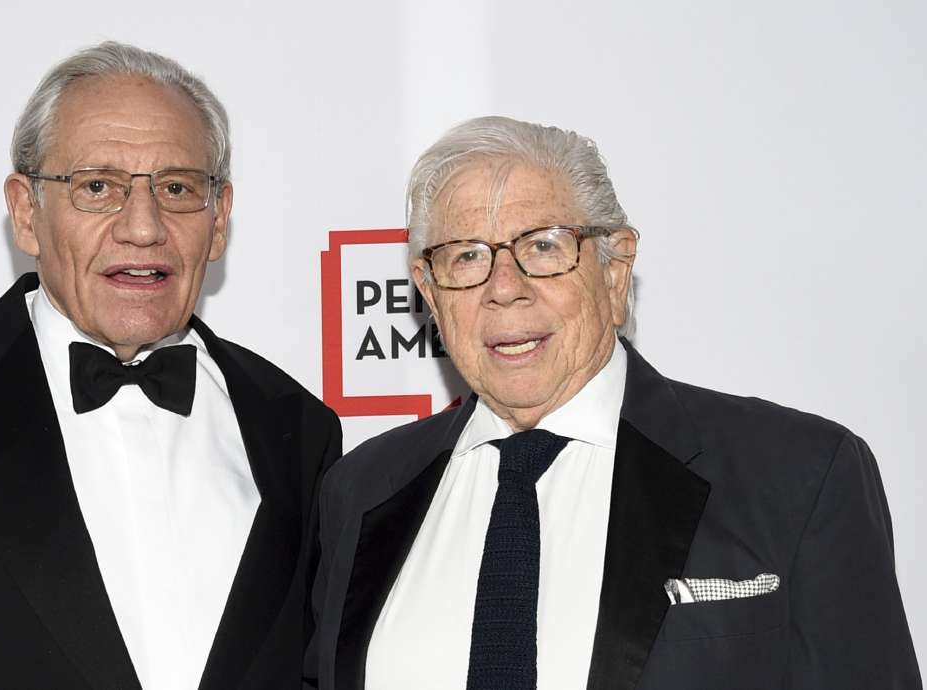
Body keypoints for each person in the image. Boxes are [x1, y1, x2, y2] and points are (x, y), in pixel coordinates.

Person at [0, 40, 341, 690]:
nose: (143, 226)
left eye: (178, 188)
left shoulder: (298, 430)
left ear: (218, 222)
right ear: (26, 212)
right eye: (97, 187)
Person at [306, 117, 920, 690]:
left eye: (542, 246)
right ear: (429, 293)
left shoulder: (798, 476)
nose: (504, 288)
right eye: (466, 255)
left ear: (615, 268)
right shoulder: (361, 492)